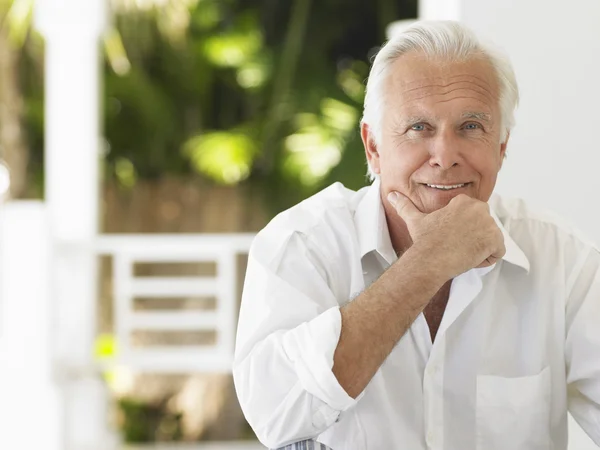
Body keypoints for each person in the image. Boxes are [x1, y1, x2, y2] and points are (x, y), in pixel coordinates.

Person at [232, 20, 600, 450]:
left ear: (501, 147)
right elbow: (274, 411)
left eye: (471, 127)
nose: (444, 157)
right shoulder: (304, 244)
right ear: (373, 147)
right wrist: (429, 262)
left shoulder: (564, 260)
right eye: (418, 128)